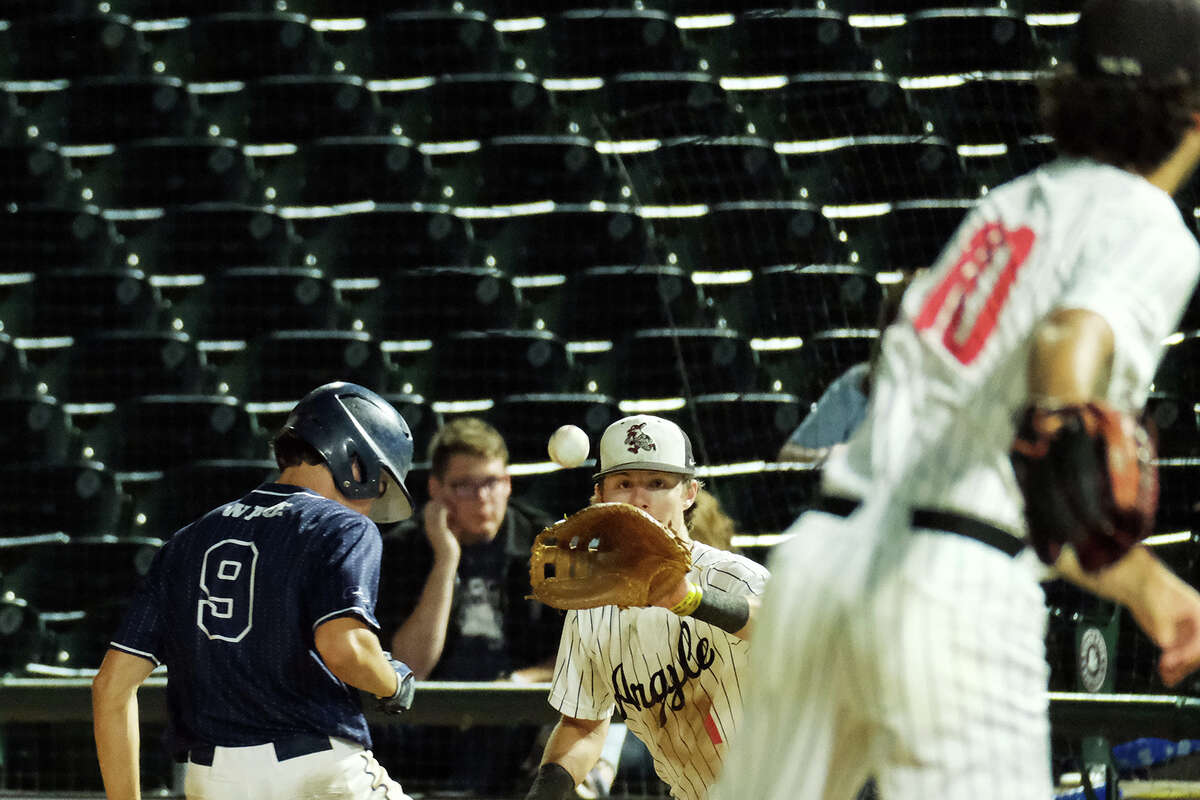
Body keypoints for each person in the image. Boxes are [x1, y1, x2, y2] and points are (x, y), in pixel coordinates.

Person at [713, 2, 1200, 797]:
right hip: (950, 596)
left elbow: (1009, 475)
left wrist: (1149, 586)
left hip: (822, 563)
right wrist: (1067, 408)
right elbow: (1061, 352)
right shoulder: (1149, 223)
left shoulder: (1009, 205)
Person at [92, 382, 420, 800]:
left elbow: (110, 688)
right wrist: (392, 681)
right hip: (315, 769)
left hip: (211, 780)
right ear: (356, 465)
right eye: (378, 485)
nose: (372, 503)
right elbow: (346, 649)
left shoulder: (188, 539)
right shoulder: (343, 527)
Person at [525, 415, 770, 800]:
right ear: (600, 495)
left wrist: (690, 599)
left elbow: (785, 628)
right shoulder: (591, 606)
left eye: (657, 483)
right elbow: (584, 724)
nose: (639, 499)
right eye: (624, 483)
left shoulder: (729, 576)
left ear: (689, 493)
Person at [375, 417, 561, 794]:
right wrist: (446, 559)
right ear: (436, 490)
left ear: (508, 484)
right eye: (463, 486)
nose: (481, 498)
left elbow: (576, 654)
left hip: (516, 712)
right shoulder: (403, 549)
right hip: (429, 715)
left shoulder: (547, 547)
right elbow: (411, 667)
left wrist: (518, 682)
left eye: (491, 482)